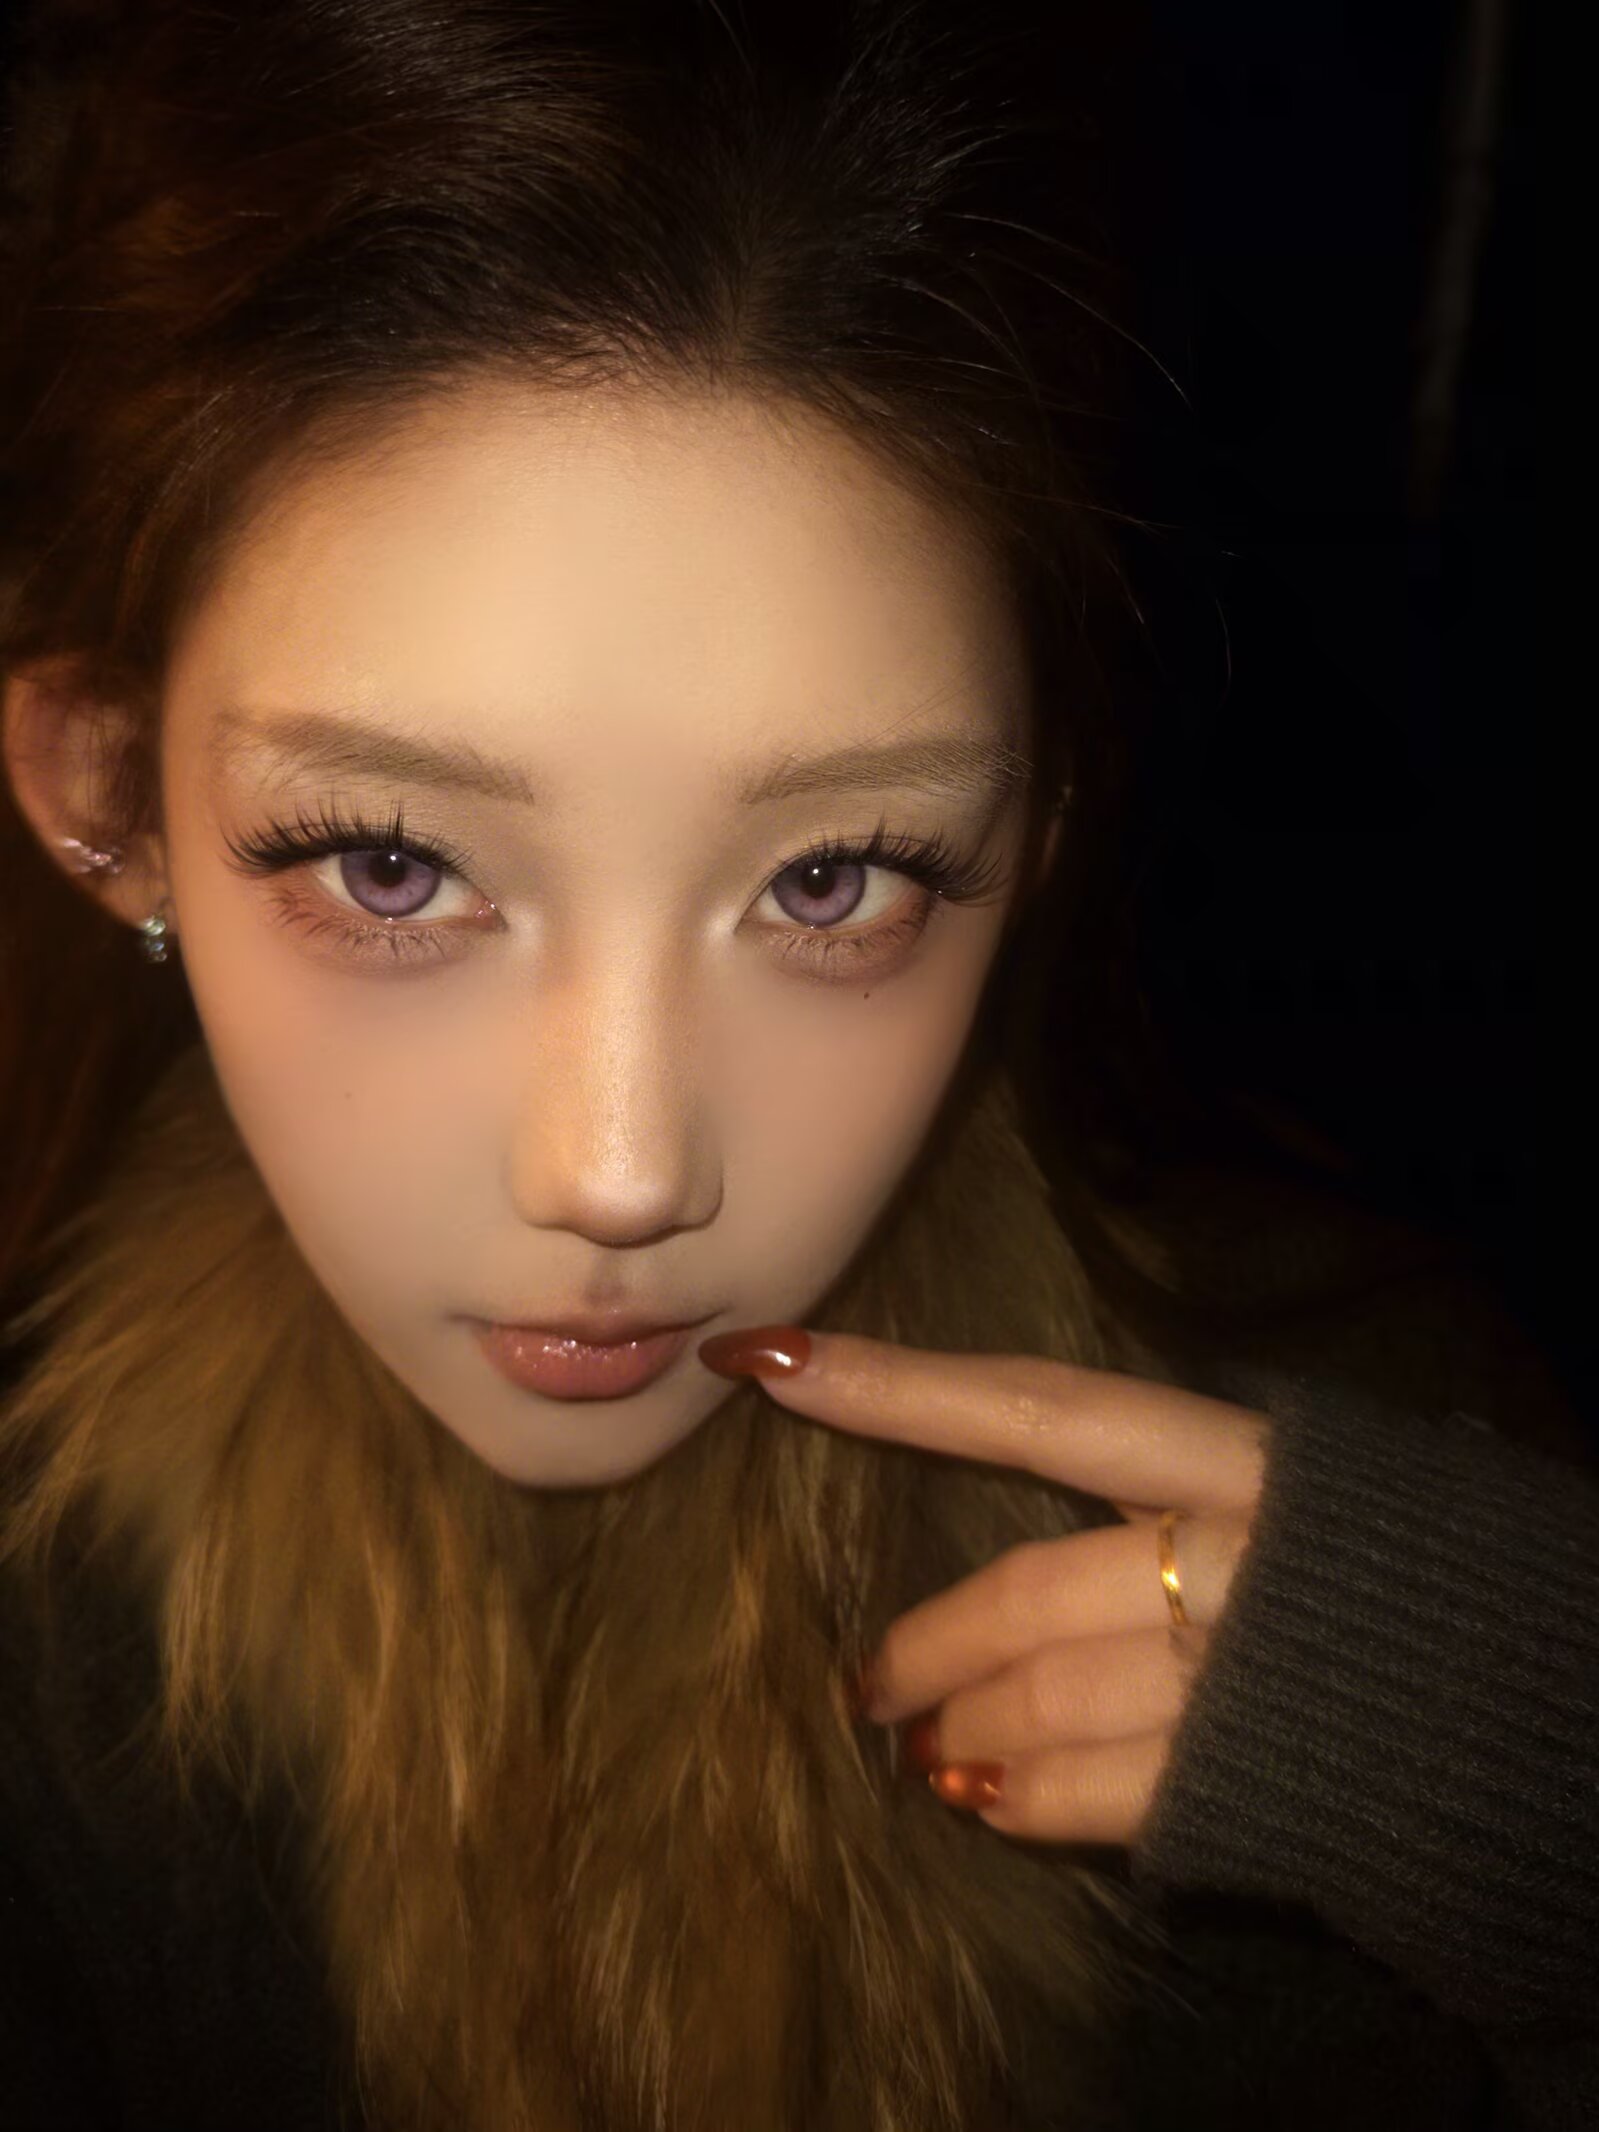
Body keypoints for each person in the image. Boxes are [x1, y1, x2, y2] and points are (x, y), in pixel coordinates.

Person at [0, 3, 1590, 2128]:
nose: (620, 1170)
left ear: (1032, 834)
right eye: (392, 864)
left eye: (833, 877)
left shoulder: (1415, 1480)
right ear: (105, 796)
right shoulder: (44, 1669)